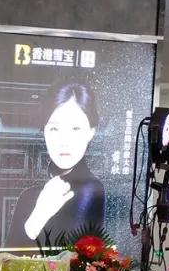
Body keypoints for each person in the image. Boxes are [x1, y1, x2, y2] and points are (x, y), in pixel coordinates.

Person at [6, 83, 106, 246]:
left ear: (91, 132)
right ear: (44, 131)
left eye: (75, 128)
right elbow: (5, 258)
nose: (64, 141)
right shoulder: (28, 194)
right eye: (54, 129)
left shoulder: (94, 190)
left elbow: (82, 258)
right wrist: (38, 217)